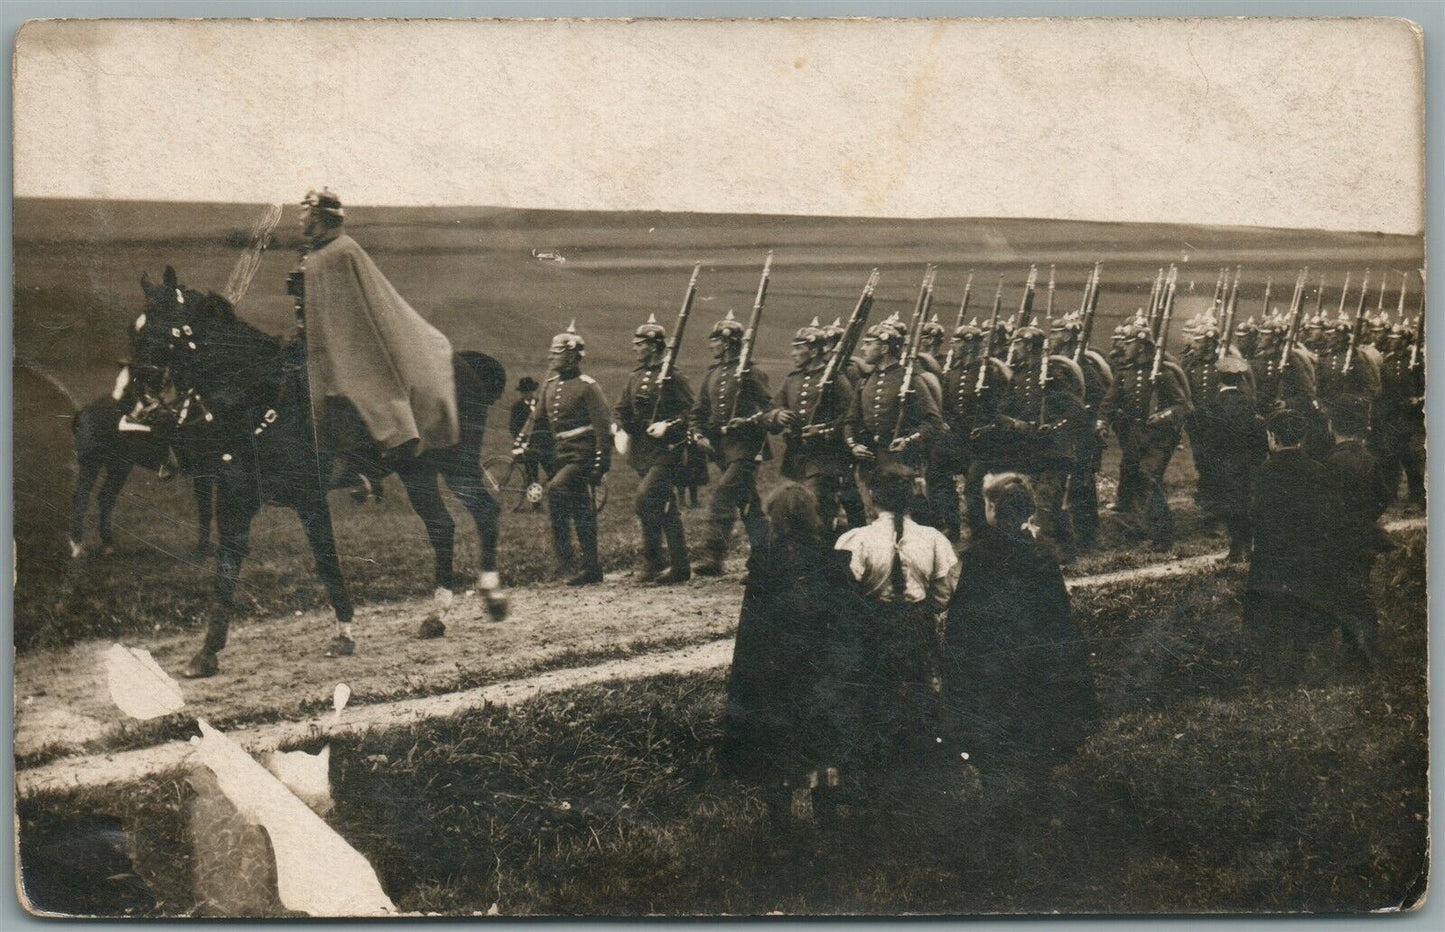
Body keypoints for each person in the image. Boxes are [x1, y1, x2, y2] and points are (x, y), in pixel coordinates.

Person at [719, 484, 868, 834]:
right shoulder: (830, 560)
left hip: (777, 678)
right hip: (820, 676)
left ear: (776, 519)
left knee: (777, 744)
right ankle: (827, 822)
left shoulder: (766, 566)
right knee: (822, 743)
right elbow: (846, 623)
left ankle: (780, 827)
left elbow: (752, 635)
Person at [943, 473, 1098, 800]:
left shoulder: (980, 556)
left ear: (992, 510)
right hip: (1035, 662)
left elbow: (963, 618)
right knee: (1035, 733)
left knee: (995, 740)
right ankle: (1037, 792)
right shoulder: (1041, 553)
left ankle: (998, 795)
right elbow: (1059, 614)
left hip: (994, 666)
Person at [294, 189, 459, 458]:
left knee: (362, 391)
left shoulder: (343, 251)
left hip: (350, 344)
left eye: (304, 213)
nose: (300, 219)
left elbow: (352, 314)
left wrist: (335, 347)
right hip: (316, 342)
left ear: (318, 217)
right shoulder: (315, 254)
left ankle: (391, 442)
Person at [836, 466, 960, 801]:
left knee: (873, 699)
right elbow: (943, 595)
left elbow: (843, 593)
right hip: (917, 630)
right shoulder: (933, 539)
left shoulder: (856, 540)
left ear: (872, 497)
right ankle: (923, 782)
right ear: (911, 498)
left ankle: (876, 783)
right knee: (921, 698)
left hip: (872, 633)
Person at [1243, 409, 1348, 675]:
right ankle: (1301, 659)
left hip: (1273, 553)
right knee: (1303, 606)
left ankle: (1272, 665)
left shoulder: (1265, 472)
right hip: (1308, 553)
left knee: (1271, 609)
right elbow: (1330, 513)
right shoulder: (1318, 469)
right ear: (1302, 438)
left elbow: (1256, 514)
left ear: (1272, 437)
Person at [1098, 312, 1192, 551]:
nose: (1124, 347)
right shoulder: (1125, 373)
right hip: (1134, 437)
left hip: (1159, 438)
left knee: (1149, 478)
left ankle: (1163, 536)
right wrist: (1102, 422)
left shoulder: (1163, 373)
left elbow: (1182, 406)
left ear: (1140, 346)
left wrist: (1162, 416)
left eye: (1129, 343)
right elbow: (1109, 402)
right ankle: (1138, 528)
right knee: (1135, 479)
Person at [529, 322, 613, 586]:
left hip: (582, 456)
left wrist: (600, 465)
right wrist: (527, 448)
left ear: (573, 356)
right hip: (561, 456)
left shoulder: (588, 386)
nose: (552, 357)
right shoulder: (550, 386)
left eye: (558, 352)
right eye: (552, 352)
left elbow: (603, 429)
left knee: (557, 490)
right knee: (581, 509)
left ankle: (566, 562)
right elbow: (539, 423)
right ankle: (590, 567)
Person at [690, 311, 773, 575]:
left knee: (723, 495)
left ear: (727, 343)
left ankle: (713, 556)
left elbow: (769, 410)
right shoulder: (713, 374)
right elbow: (699, 411)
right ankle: (767, 558)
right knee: (748, 503)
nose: (711, 345)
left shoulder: (752, 372)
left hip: (747, 446)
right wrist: (699, 434)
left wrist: (748, 421)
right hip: (721, 448)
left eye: (715, 340)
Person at [613, 314, 694, 584]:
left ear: (654, 346)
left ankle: (654, 559)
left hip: (667, 451)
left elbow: (690, 412)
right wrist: (621, 428)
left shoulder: (673, 376)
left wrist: (667, 425)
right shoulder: (635, 376)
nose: (635, 348)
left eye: (640, 344)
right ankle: (679, 566)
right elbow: (621, 408)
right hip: (642, 452)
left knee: (645, 498)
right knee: (665, 506)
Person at [765, 318, 856, 538]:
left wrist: (824, 430)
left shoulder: (835, 379)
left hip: (825, 457)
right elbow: (770, 410)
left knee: (818, 508)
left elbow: (850, 416)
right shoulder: (792, 379)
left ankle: (824, 551)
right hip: (796, 456)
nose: (793, 353)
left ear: (814, 351)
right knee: (789, 505)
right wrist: (778, 415)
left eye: (799, 349)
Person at [844, 317, 944, 480]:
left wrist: (907, 441)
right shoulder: (865, 381)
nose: (863, 348)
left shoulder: (910, 379)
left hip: (901, 463)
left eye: (868, 344)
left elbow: (933, 421)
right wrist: (854, 445)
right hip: (869, 462)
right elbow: (851, 420)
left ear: (884, 348)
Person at [508, 376, 551, 510]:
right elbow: (514, 427)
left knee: (551, 471)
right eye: (524, 391)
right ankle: (535, 504)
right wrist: (521, 441)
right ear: (521, 393)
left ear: (533, 391)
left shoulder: (540, 404)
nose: (527, 394)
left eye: (529, 391)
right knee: (532, 475)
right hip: (527, 446)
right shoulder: (517, 407)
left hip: (543, 444)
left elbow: (546, 423)